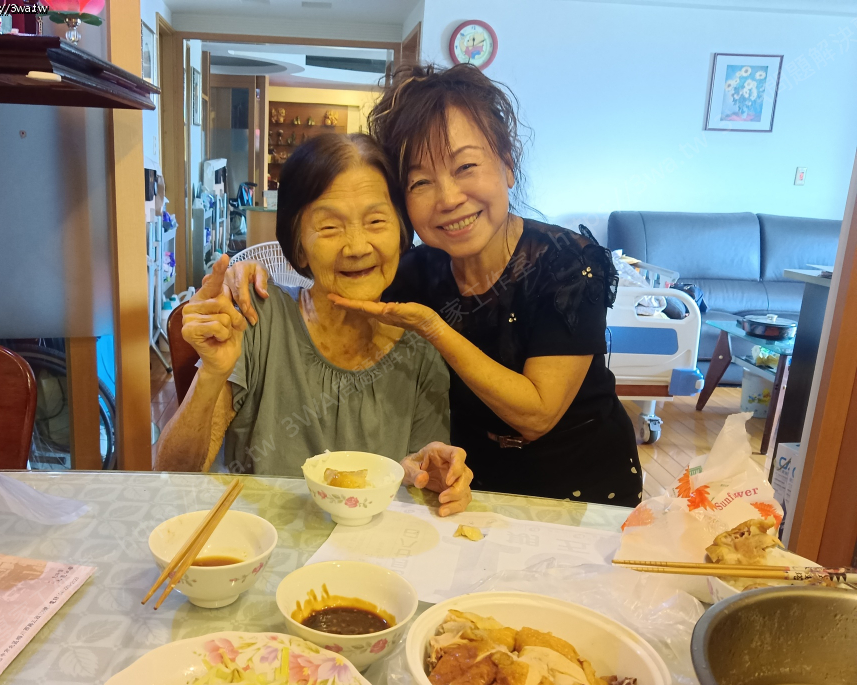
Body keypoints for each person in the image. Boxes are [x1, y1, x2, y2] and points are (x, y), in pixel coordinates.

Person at [226, 64, 642, 507]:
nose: (448, 198)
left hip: (580, 490)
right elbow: (334, 284)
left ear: (507, 164)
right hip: (464, 486)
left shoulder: (568, 263)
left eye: (465, 166)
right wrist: (247, 277)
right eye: (421, 181)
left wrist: (434, 329)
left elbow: (537, 414)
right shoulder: (414, 272)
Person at [155, 132, 474, 516]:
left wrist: (430, 475)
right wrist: (211, 374)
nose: (356, 247)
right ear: (298, 245)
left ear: (402, 233)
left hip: (364, 549)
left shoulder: (420, 355)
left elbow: (419, 478)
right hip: (258, 543)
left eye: (376, 221)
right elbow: (174, 475)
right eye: (329, 227)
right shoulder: (257, 318)